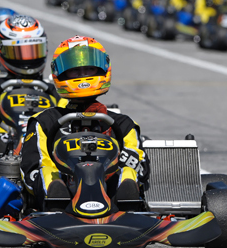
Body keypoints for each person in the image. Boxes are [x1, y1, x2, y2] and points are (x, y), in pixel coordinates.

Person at [20, 36, 148, 211]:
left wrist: (114, 160)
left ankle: (127, 208)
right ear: (61, 74)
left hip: (111, 198)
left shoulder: (123, 124)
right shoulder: (44, 122)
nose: (83, 77)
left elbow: (141, 167)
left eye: (89, 70)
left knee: (128, 172)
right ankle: (56, 204)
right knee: (47, 172)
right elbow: (31, 167)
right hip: (63, 196)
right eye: (75, 72)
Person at [0, 14, 59, 165]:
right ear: (2, 51)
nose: (27, 59)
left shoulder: (54, 92)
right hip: (4, 151)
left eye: (34, 50)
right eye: (19, 52)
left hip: (46, 150)